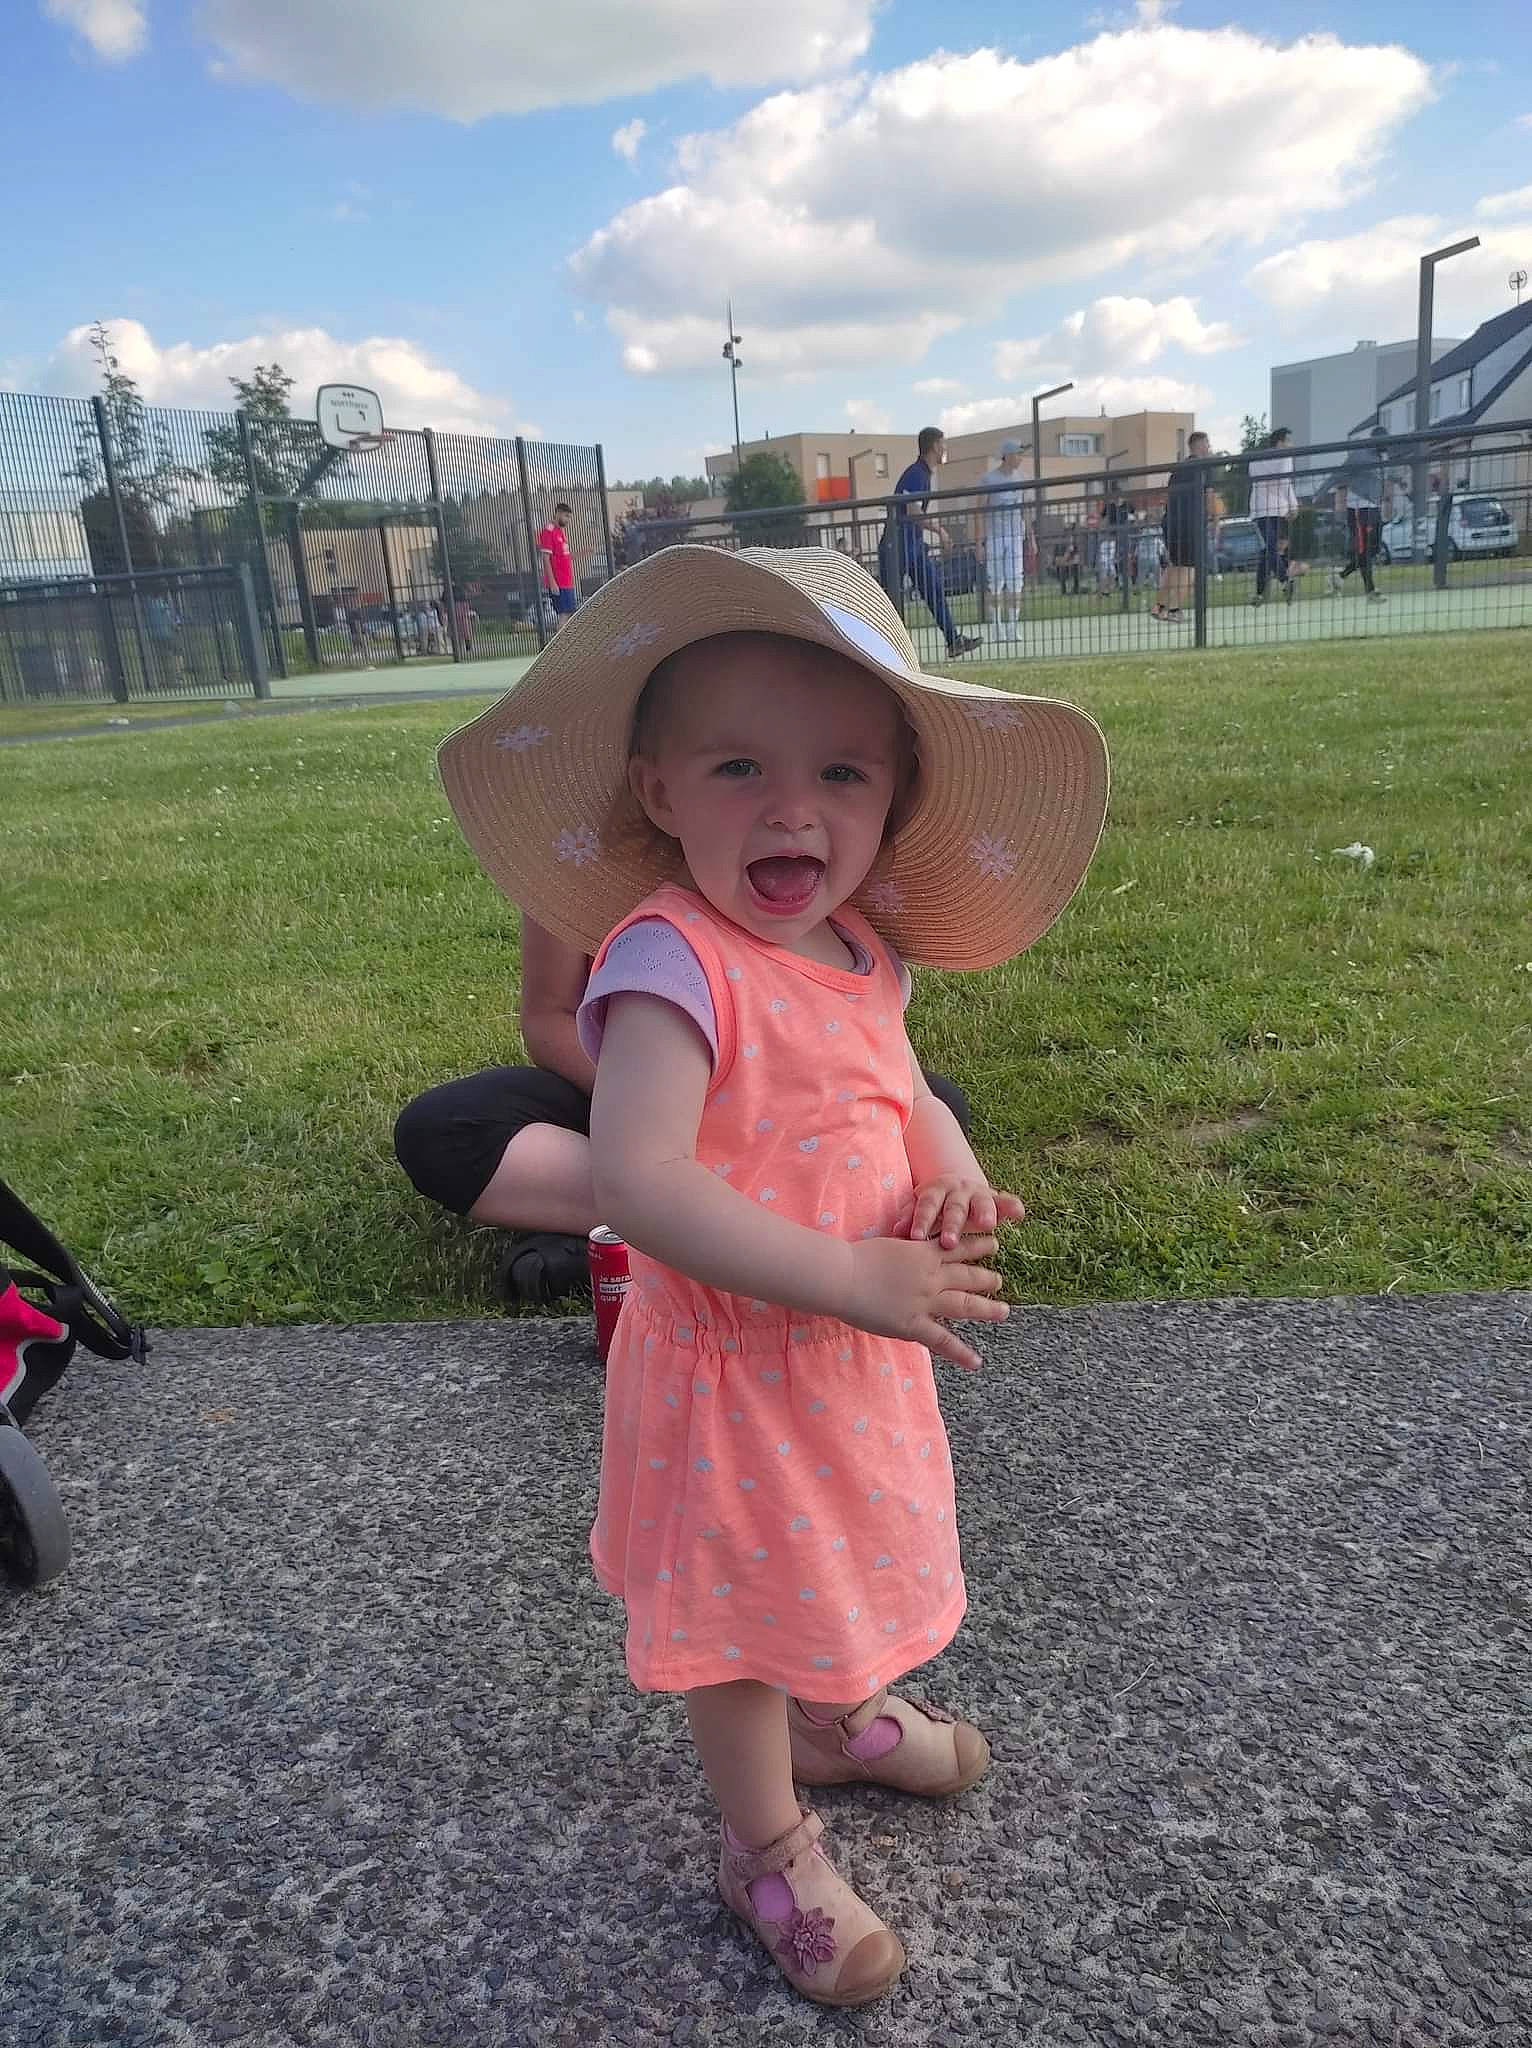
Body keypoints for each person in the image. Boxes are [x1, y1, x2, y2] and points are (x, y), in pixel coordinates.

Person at [435, 546, 1109, 2005]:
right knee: (740, 1618)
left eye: (841, 774)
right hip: (733, 1373)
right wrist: (847, 1275)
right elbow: (640, 1180)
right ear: (658, 792)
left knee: (844, 1549)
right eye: (738, 766)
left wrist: (945, 1168)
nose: (793, 808)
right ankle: (766, 1844)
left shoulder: (861, 949)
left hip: (848, 1353)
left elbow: (902, 1088)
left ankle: (836, 1708)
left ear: (894, 801)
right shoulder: (669, 962)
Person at [395, 928, 979, 1303]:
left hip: (793, 1115)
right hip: (632, 1090)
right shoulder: (579, 870)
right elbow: (550, 1017)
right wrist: (666, 1105)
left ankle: (626, 1236)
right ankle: (676, 1218)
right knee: (446, 1128)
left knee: (932, 1107)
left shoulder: (839, 905)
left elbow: (889, 1066)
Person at [884, 428, 981, 658]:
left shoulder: (923, 474)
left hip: (913, 544)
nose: (944, 448)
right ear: (935, 446)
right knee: (891, 600)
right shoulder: (916, 474)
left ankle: (953, 640)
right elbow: (913, 510)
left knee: (934, 589)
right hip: (898, 544)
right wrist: (940, 531)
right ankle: (888, 651)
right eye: (943, 444)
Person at [1153, 429, 1215, 623]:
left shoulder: (1178, 469)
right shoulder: (1203, 466)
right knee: (1190, 568)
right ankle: (1174, 609)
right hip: (1190, 523)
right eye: (1207, 443)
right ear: (1200, 445)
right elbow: (1209, 495)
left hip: (1171, 522)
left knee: (1176, 566)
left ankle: (1159, 607)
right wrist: (1213, 519)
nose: (1209, 447)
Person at [1328, 426, 1393, 602]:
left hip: (1374, 507)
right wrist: (1321, 493)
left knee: (1374, 549)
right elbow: (1339, 474)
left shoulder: (1383, 457)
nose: (1387, 445)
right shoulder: (1359, 455)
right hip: (1358, 508)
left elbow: (1383, 479)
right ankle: (1370, 591)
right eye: (1384, 442)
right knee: (1364, 550)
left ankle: (1340, 576)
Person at [976, 438, 1027, 628]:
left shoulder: (1021, 478)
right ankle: (996, 626)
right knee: (995, 582)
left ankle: (1013, 626)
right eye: (1018, 454)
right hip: (995, 536)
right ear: (1008, 455)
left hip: (1015, 536)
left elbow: (1025, 509)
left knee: (1016, 580)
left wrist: (1031, 537)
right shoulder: (989, 479)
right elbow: (979, 511)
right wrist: (979, 543)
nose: (1021, 458)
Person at [1248, 427, 1300, 605]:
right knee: (1271, 549)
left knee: (1267, 551)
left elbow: (1255, 478)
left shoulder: (1255, 459)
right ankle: (1285, 580)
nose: (1292, 445)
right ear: (1280, 443)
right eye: (1289, 441)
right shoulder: (1285, 457)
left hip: (1260, 510)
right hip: (1278, 510)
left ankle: (1260, 593)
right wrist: (1294, 505)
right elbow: (1285, 481)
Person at [538, 502, 579, 626]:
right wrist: (552, 583)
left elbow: (565, 557)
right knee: (564, 615)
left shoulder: (560, 531)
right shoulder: (548, 531)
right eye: (566, 516)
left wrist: (584, 553)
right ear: (558, 513)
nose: (568, 520)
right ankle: (561, 639)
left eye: (569, 517)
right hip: (559, 582)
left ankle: (566, 638)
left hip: (567, 581)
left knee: (569, 614)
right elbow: (546, 558)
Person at [1097, 480, 1129, 596]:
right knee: (1109, 562)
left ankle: (1118, 583)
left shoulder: (1126, 505)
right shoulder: (1110, 506)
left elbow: (1133, 516)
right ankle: (1109, 585)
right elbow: (1102, 518)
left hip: (1122, 535)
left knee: (1120, 561)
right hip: (1111, 536)